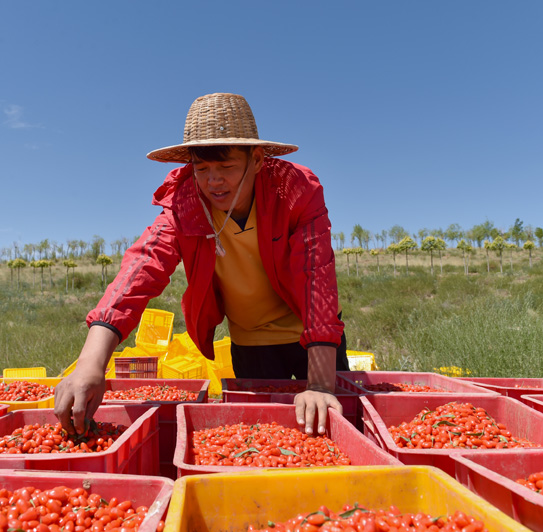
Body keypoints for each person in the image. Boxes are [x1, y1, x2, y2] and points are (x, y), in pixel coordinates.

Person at [54, 92, 349, 437]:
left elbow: (317, 277)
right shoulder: (186, 203)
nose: (213, 181)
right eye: (202, 169)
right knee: (268, 436)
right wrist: (91, 363)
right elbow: (141, 269)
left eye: (226, 167)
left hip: (315, 336)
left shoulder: (295, 191)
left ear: (256, 159)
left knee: (330, 431)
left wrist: (322, 386)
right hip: (251, 340)